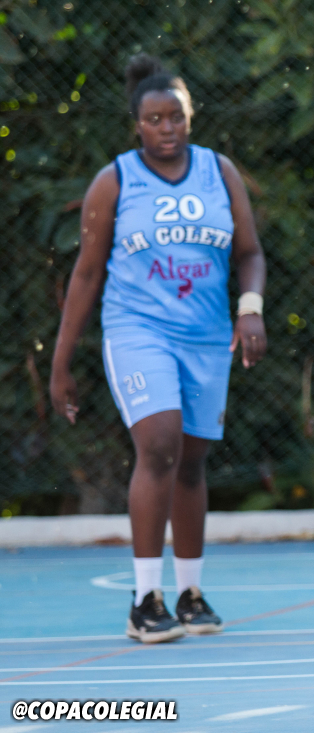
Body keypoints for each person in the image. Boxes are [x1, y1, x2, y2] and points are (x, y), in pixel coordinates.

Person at [49, 55, 268, 643]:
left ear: (190, 118)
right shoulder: (115, 181)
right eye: (154, 119)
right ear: (137, 125)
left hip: (206, 337)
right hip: (138, 331)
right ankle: (145, 600)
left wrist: (250, 307)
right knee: (161, 444)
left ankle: (190, 594)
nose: (167, 128)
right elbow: (87, 273)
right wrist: (61, 362)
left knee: (191, 461)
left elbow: (249, 252)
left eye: (177, 117)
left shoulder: (219, 172)